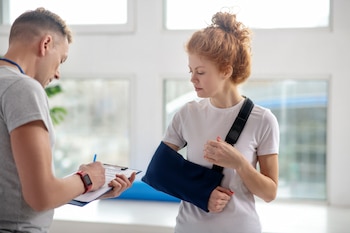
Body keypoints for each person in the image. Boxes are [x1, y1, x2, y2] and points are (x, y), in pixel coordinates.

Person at [0, 8, 135, 232]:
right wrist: (87, 178)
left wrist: (86, 187)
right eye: (60, 60)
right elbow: (41, 196)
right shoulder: (23, 88)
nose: (57, 74)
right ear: (45, 44)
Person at [162, 11, 279, 233]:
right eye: (191, 71)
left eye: (201, 72)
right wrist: (202, 193)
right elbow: (161, 171)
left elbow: (269, 193)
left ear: (226, 70)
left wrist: (240, 164)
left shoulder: (263, 119)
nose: (192, 79)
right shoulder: (187, 114)